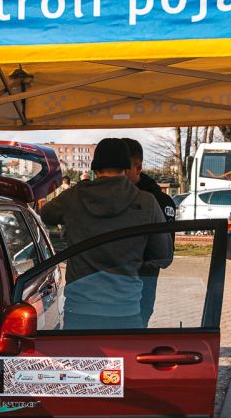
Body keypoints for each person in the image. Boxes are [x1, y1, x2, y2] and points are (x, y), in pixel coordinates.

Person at [40, 138, 169, 331]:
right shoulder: (147, 202)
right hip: (126, 311)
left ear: (95, 168)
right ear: (126, 168)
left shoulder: (74, 196)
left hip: (80, 310)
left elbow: (46, 214)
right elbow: (163, 256)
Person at [122, 137, 177, 328]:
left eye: (121, 169)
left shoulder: (160, 202)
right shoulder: (101, 197)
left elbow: (164, 256)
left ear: (137, 168)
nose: (115, 176)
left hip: (140, 289)